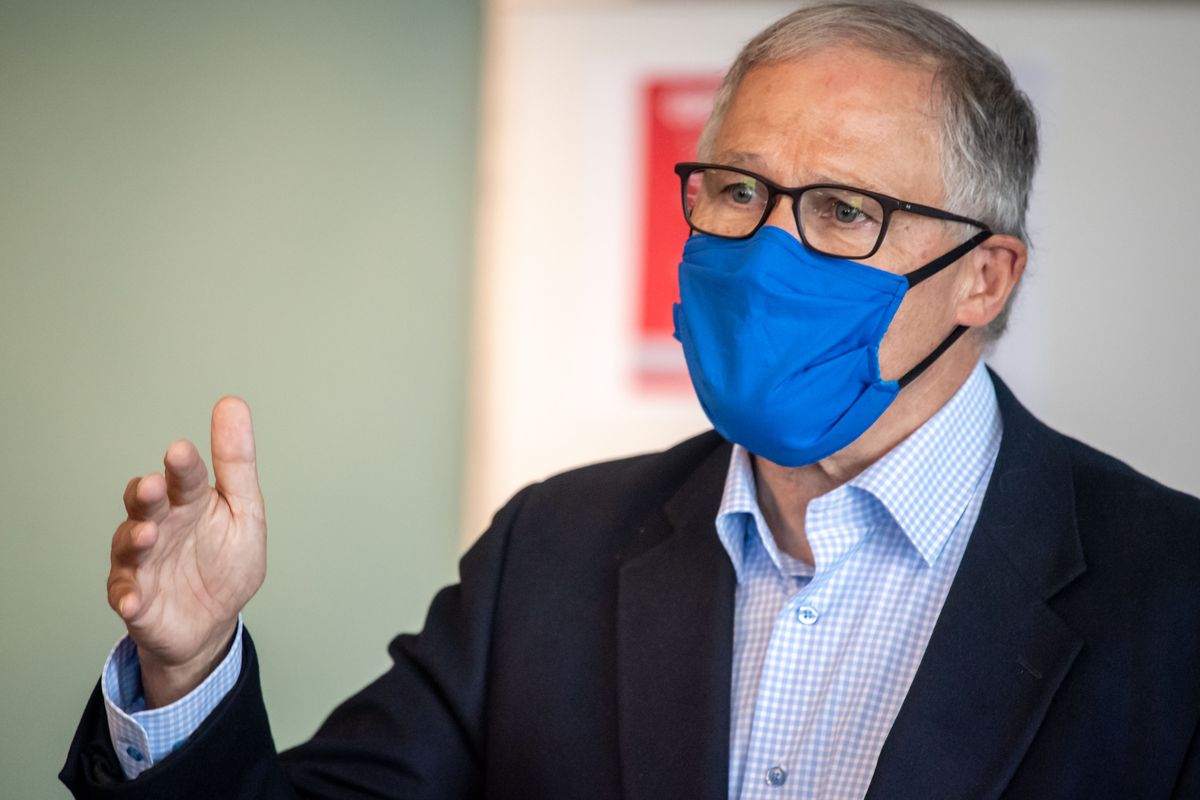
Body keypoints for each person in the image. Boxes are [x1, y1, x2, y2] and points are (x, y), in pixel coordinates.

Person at [62, 1, 1200, 798]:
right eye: (739, 191)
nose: (762, 252)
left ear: (986, 276)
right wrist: (189, 665)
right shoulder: (549, 550)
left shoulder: (1176, 593)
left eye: (844, 211)